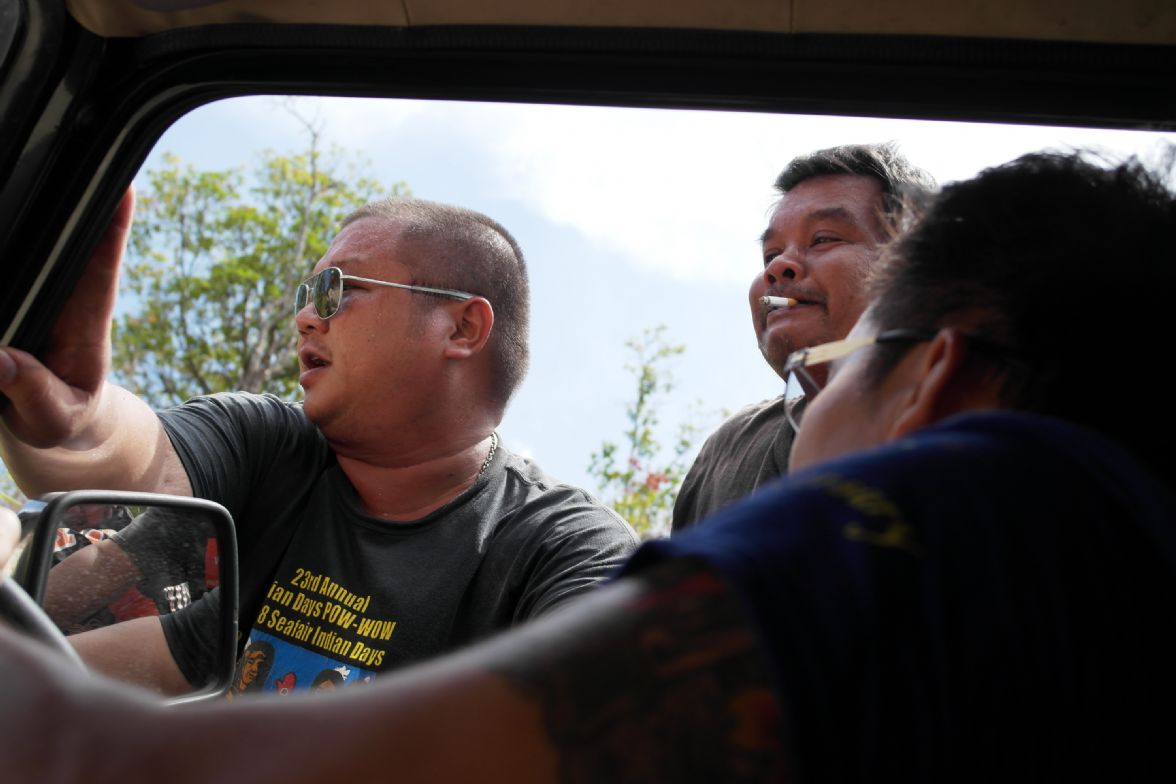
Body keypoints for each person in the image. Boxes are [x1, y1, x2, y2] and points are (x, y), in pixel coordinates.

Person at [3, 148, 1175, 783]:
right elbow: (127, 474)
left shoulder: (929, 535)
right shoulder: (1104, 550)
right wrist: (75, 424)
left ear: (936, 381)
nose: (803, 411)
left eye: (833, 372)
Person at [0, 191, 638, 694]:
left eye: (339, 290)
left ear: (462, 327)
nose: (306, 317)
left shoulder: (566, 547)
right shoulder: (273, 446)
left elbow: (594, 727)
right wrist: (72, 417)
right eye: (308, 296)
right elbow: (130, 455)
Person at [672, 142, 936, 532]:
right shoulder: (727, 450)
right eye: (770, 254)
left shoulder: (969, 420)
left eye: (823, 238)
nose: (778, 267)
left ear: (914, 269)